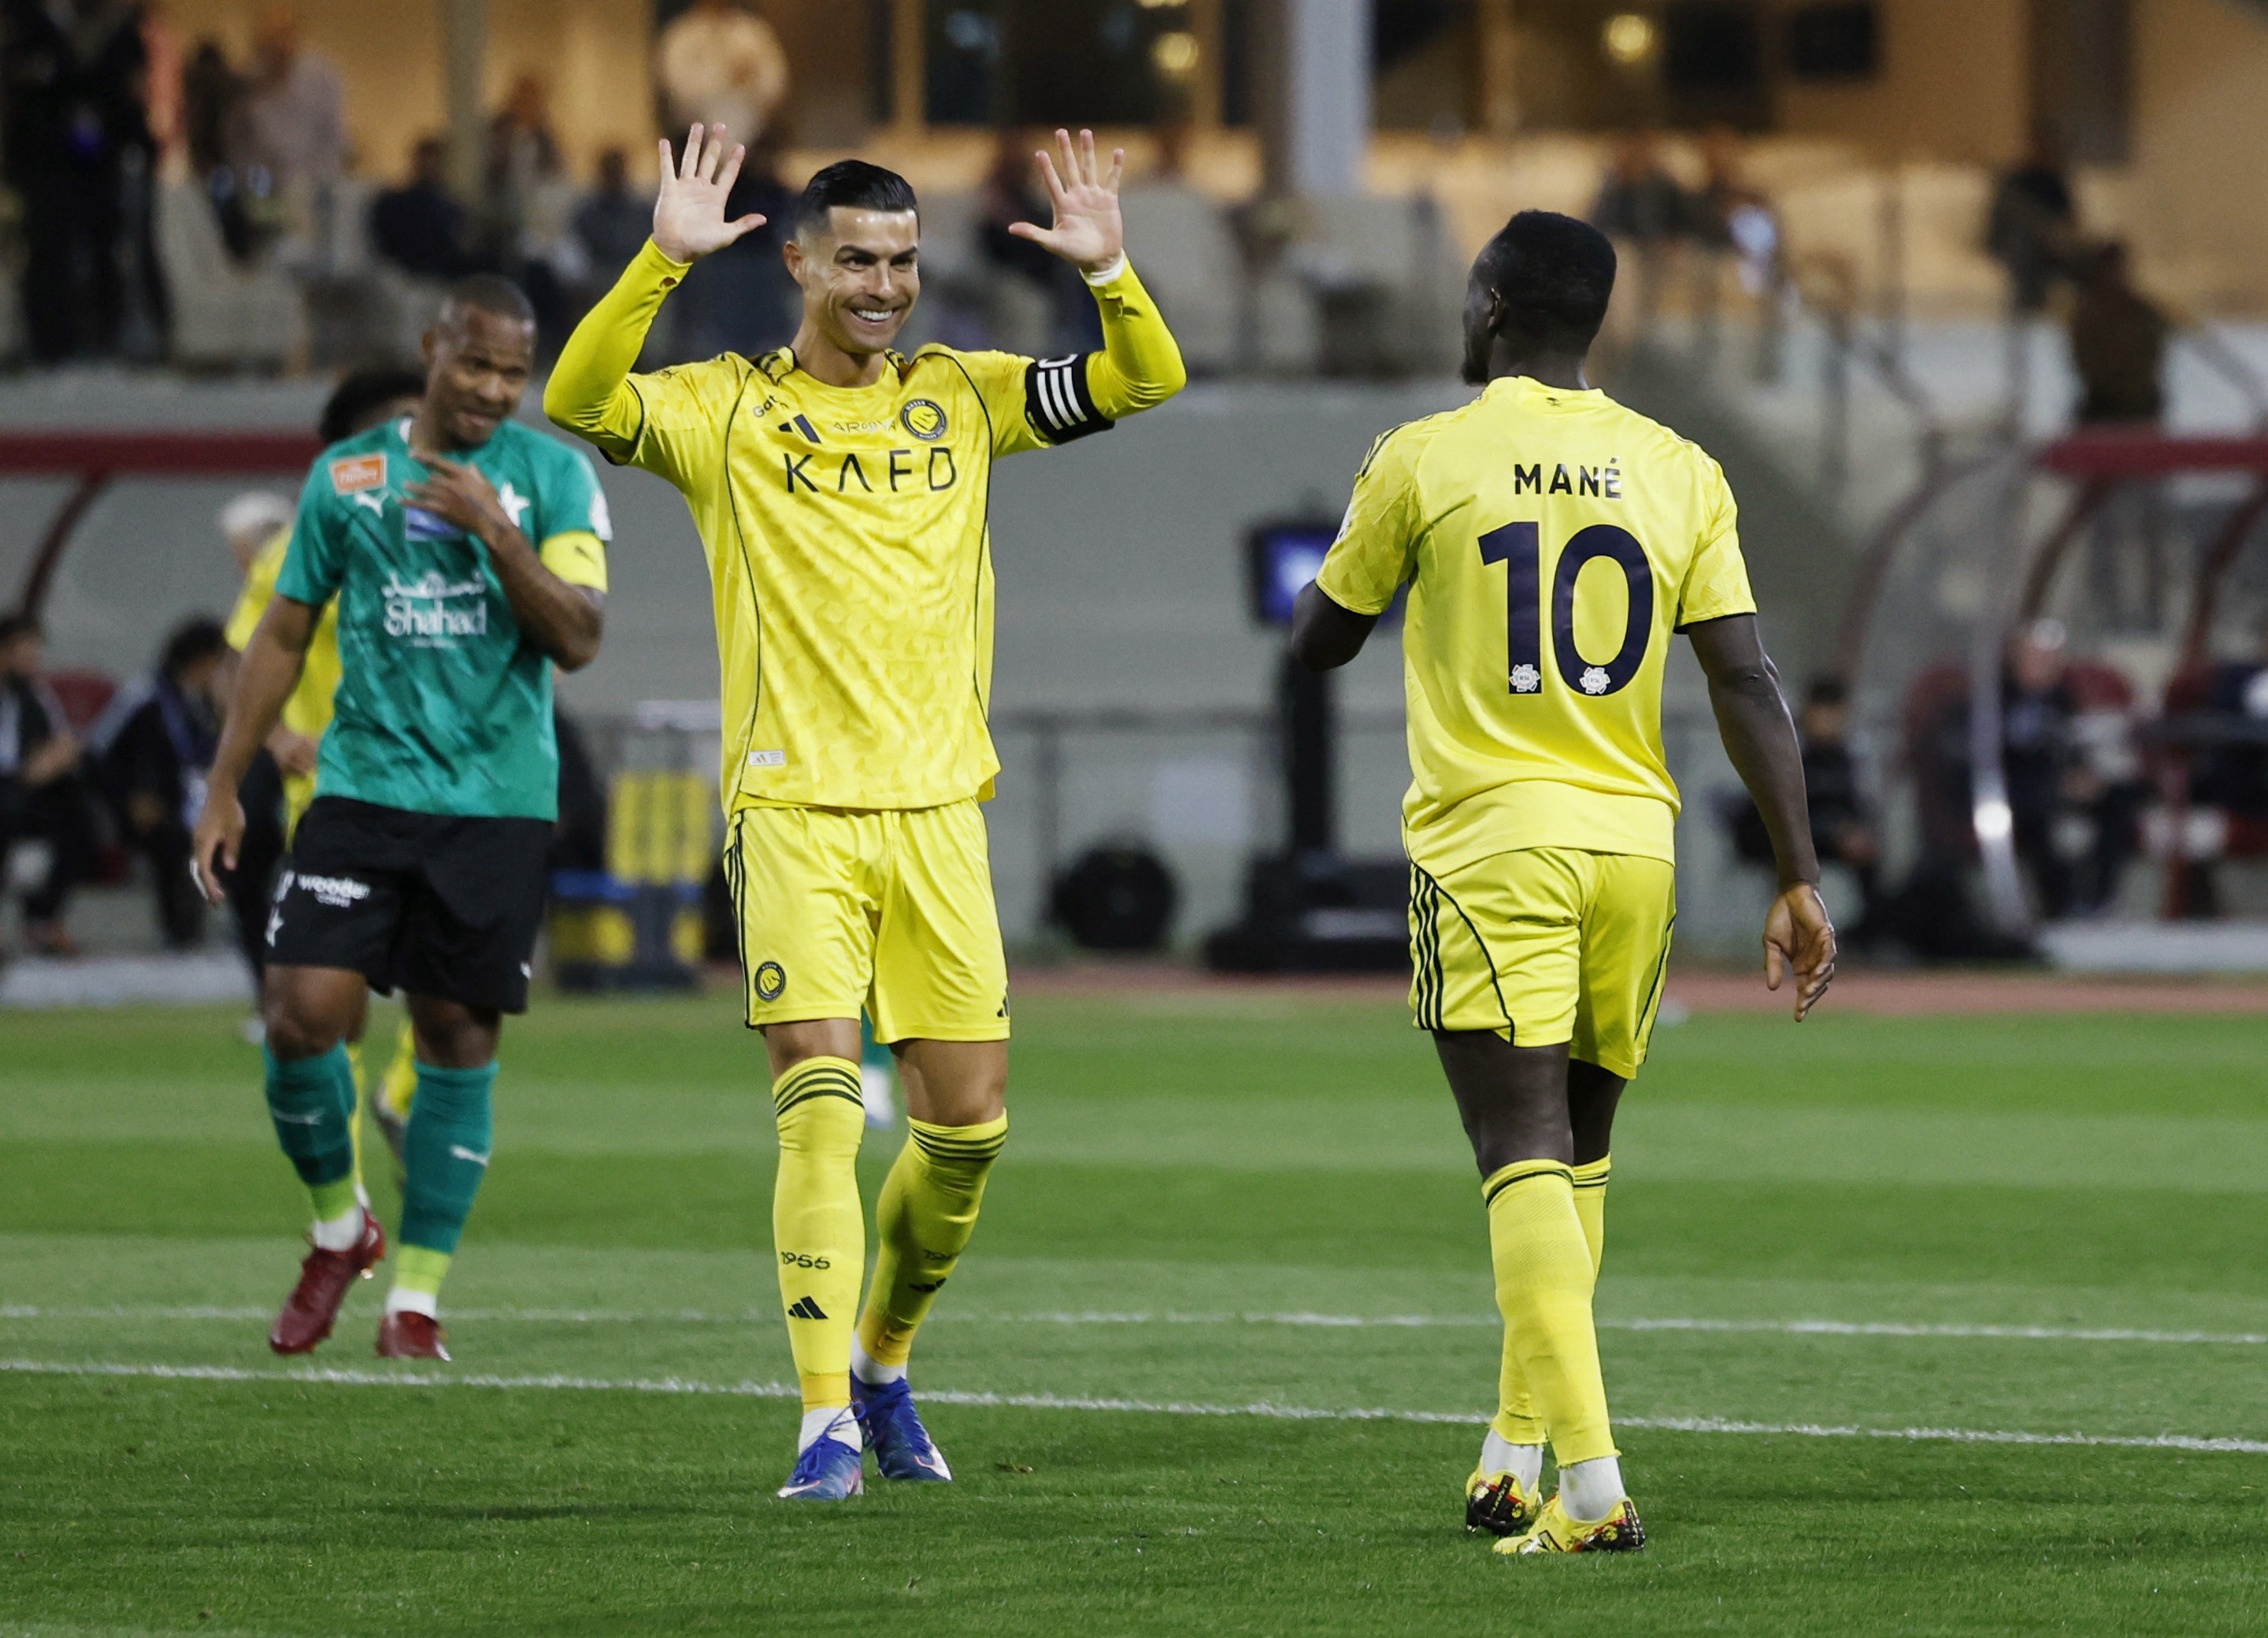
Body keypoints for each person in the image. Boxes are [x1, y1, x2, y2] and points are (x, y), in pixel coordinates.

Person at [546, 126, 1185, 1499]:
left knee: (965, 1137)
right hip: (793, 813)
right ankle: (822, 1416)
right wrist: (658, 263)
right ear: (797, 261)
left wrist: (1113, 274)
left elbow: (1150, 378)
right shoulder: (724, 408)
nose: (883, 285)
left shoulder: (964, 396)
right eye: (855, 260)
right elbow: (580, 396)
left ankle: (888, 1363)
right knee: (821, 1110)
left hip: (942, 814)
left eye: (900, 260)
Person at [1292, 209, 1834, 1553]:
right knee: (1577, 1154)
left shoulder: (1424, 455)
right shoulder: (1679, 467)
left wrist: (1374, 565)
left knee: (1514, 1147)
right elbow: (1746, 680)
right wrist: (1800, 874)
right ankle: (1513, 1448)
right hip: (1633, 851)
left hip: (1492, 844)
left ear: (1486, 307)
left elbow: (1320, 642)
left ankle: (1593, 1489)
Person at [192, 275, 614, 1364]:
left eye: (514, 374)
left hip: (494, 805)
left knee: (454, 1042)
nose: (492, 390)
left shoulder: (552, 477)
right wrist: (226, 781)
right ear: (433, 348)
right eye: (475, 364)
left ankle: (415, 1299)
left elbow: (577, 637)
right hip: (361, 791)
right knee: (298, 1018)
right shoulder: (348, 477)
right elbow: (282, 634)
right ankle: (341, 1225)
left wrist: (493, 533)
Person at [2, 0, 153, 361]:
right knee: (47, 249)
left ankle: (102, 336)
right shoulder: (27, 22)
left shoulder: (116, 31)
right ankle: (51, 343)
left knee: (104, 247)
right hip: (45, 162)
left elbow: (120, 93)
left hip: (97, 164)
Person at [92, 617, 232, 950]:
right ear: (201, 661)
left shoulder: (207, 704)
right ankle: (178, 934)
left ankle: (230, 926)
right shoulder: (145, 696)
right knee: (171, 840)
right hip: (139, 808)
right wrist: (129, 800)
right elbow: (97, 756)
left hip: (190, 803)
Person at [0, 612, 98, 956]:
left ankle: (42, 919)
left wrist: (60, 755)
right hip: (11, 787)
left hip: (28, 791)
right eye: (26, 654)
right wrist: (28, 772)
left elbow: (63, 739)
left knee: (79, 818)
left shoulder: (36, 695)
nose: (34, 663)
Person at [655, 0, 790, 147]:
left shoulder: (754, 33)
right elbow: (676, 86)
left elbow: (774, 81)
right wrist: (725, 80)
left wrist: (751, 80)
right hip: (694, 138)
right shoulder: (682, 35)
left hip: (751, 140)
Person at [2069, 242, 2170, 426]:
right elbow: (2087, 361)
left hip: (2139, 405)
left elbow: (2152, 352)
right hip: (2104, 405)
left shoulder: (2141, 312)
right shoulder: (2089, 314)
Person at [1988, 124, 2079, 316]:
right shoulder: (2015, 180)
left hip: (2051, 245)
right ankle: (2028, 311)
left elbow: (2070, 220)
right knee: (2026, 243)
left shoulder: (2055, 181)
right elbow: (2001, 222)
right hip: (2015, 242)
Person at [371, 137, 480, 281]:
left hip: (444, 267)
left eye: (435, 161)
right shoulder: (397, 201)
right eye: (427, 160)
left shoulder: (447, 201)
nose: (431, 166)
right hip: (421, 268)